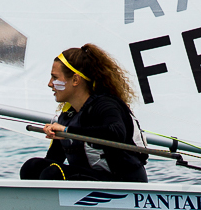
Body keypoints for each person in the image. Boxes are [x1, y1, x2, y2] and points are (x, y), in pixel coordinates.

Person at [19, 43, 148, 184]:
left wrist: (68, 131)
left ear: (75, 80)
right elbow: (54, 159)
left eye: (55, 78)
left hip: (125, 182)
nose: (50, 84)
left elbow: (116, 132)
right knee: (32, 168)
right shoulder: (66, 116)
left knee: (54, 173)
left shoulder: (105, 105)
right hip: (92, 179)